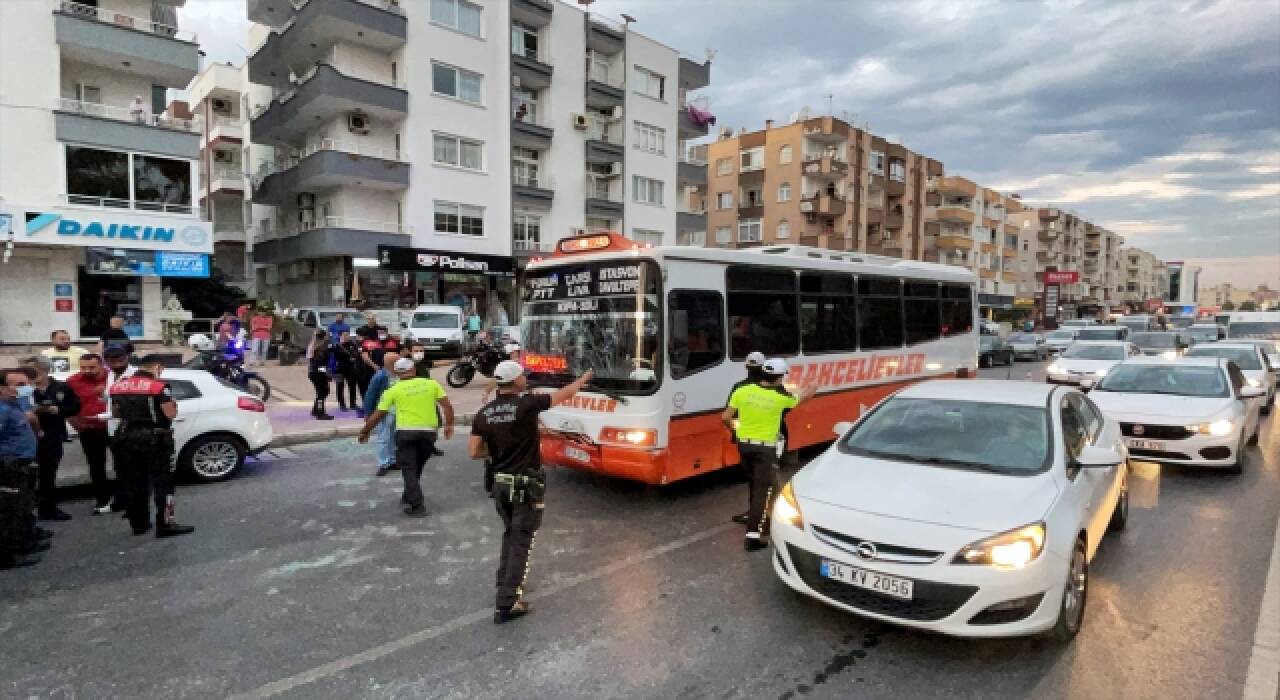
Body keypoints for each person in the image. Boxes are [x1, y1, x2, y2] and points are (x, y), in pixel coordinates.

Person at [470, 362, 594, 624]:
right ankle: (507, 602)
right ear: (515, 381)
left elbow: (474, 452)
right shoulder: (526, 405)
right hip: (524, 486)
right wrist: (583, 380)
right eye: (523, 377)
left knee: (510, 533)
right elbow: (563, 395)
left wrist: (499, 453)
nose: (525, 380)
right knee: (522, 540)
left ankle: (504, 581)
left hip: (500, 485)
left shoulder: (484, 414)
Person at [722, 359, 816, 552]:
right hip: (765, 450)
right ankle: (753, 536)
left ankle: (760, 518)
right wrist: (812, 387)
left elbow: (725, 417)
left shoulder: (742, 391)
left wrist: (737, 431)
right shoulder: (780, 399)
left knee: (755, 484)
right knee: (762, 490)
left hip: (744, 446)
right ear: (779, 378)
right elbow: (803, 397)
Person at [357, 358, 454, 517]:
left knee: (409, 468)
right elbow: (447, 406)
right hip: (428, 433)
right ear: (414, 369)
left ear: (397, 373)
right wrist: (449, 425)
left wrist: (365, 431)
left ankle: (417, 505)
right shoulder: (431, 384)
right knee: (417, 466)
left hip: (405, 433)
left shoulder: (392, 390)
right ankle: (409, 494)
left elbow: (377, 414)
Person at [110, 355, 193, 538]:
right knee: (164, 484)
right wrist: (174, 406)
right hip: (156, 439)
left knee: (134, 482)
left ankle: (138, 524)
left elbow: (116, 413)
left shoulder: (118, 385)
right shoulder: (159, 387)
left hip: (125, 438)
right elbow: (170, 414)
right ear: (157, 367)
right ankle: (165, 524)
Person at [21, 356, 80, 521]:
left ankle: (48, 509)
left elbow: (75, 407)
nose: (31, 374)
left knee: (48, 476)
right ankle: (26, 513)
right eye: (27, 371)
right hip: (27, 438)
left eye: (33, 370)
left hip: (52, 436)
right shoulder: (23, 389)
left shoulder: (61, 387)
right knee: (27, 477)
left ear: (45, 370)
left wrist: (58, 410)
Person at [1, 367, 44, 569]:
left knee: (23, 506)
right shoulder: (1, 409)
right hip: (9, 465)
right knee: (10, 512)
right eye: (18, 385)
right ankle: (9, 554)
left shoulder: (15, 404)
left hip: (22, 464)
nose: (25, 388)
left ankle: (25, 542)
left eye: (25, 383)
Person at [66, 353, 116, 514]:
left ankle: (126, 497)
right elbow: (67, 407)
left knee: (124, 463)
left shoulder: (113, 377)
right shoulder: (73, 381)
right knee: (96, 466)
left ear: (101, 365)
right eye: (83, 367)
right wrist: (77, 425)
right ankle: (103, 499)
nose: (87, 370)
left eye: (92, 367)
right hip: (90, 430)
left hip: (114, 427)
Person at [727, 352, 766, 525]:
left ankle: (756, 514)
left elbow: (727, 416)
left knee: (753, 478)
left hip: (747, 441)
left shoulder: (739, 388)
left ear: (746, 367)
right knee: (767, 478)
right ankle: (766, 513)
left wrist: (737, 430)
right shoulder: (773, 388)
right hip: (769, 440)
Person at [363, 352, 401, 477]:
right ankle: (384, 463)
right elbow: (370, 395)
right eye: (397, 361)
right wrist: (368, 414)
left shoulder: (401, 374)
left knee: (394, 437)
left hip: (398, 411)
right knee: (383, 438)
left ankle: (393, 460)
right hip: (384, 412)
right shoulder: (380, 377)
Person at [306, 330, 334, 420]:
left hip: (313, 372)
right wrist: (327, 375)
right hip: (318, 374)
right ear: (324, 337)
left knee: (322, 393)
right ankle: (320, 413)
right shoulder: (321, 348)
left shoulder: (314, 345)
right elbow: (320, 365)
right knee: (322, 393)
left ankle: (315, 410)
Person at [332, 331, 362, 414]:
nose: (346, 336)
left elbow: (356, 353)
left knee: (352, 386)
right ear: (341, 336)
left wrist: (354, 357)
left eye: (347, 335)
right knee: (340, 386)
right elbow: (335, 354)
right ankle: (342, 404)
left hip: (350, 368)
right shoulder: (337, 345)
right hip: (339, 369)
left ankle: (353, 404)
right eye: (344, 335)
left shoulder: (352, 344)